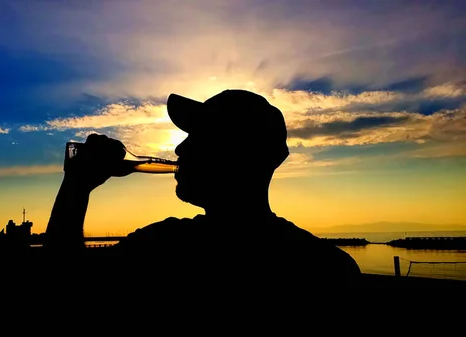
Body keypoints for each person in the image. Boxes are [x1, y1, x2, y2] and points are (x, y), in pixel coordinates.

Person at [45, 89, 361, 287]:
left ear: (236, 155)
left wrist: (76, 186)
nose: (180, 149)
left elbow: (66, 283)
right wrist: (78, 184)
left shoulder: (166, 248)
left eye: (199, 137)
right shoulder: (325, 267)